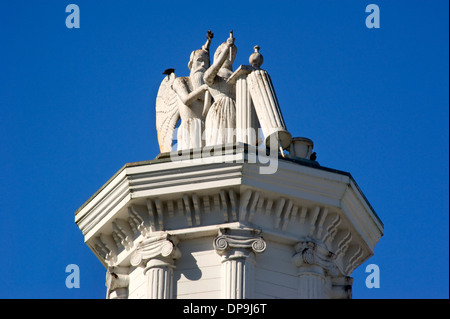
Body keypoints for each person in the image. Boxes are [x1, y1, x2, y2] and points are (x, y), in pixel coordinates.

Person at [171, 31, 214, 150]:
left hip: (207, 131)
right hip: (188, 129)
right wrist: (203, 89)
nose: (203, 66)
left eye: (206, 63)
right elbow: (186, 99)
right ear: (191, 64)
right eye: (199, 61)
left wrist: (208, 43)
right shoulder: (181, 81)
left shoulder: (210, 89)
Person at [203, 31, 237, 147]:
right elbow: (208, 76)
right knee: (218, 144)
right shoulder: (212, 74)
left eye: (233, 52)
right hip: (219, 110)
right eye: (225, 53)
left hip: (236, 110)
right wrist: (227, 47)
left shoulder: (238, 76)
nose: (230, 55)